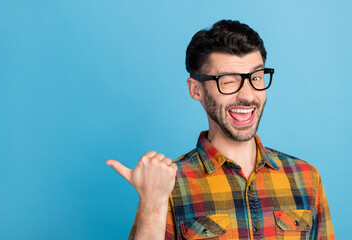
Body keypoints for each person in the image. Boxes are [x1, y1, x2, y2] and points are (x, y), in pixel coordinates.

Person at [106, 20, 335, 240]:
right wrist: (153, 204)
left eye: (256, 77)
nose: (247, 95)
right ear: (196, 90)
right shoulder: (167, 184)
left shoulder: (306, 178)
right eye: (228, 81)